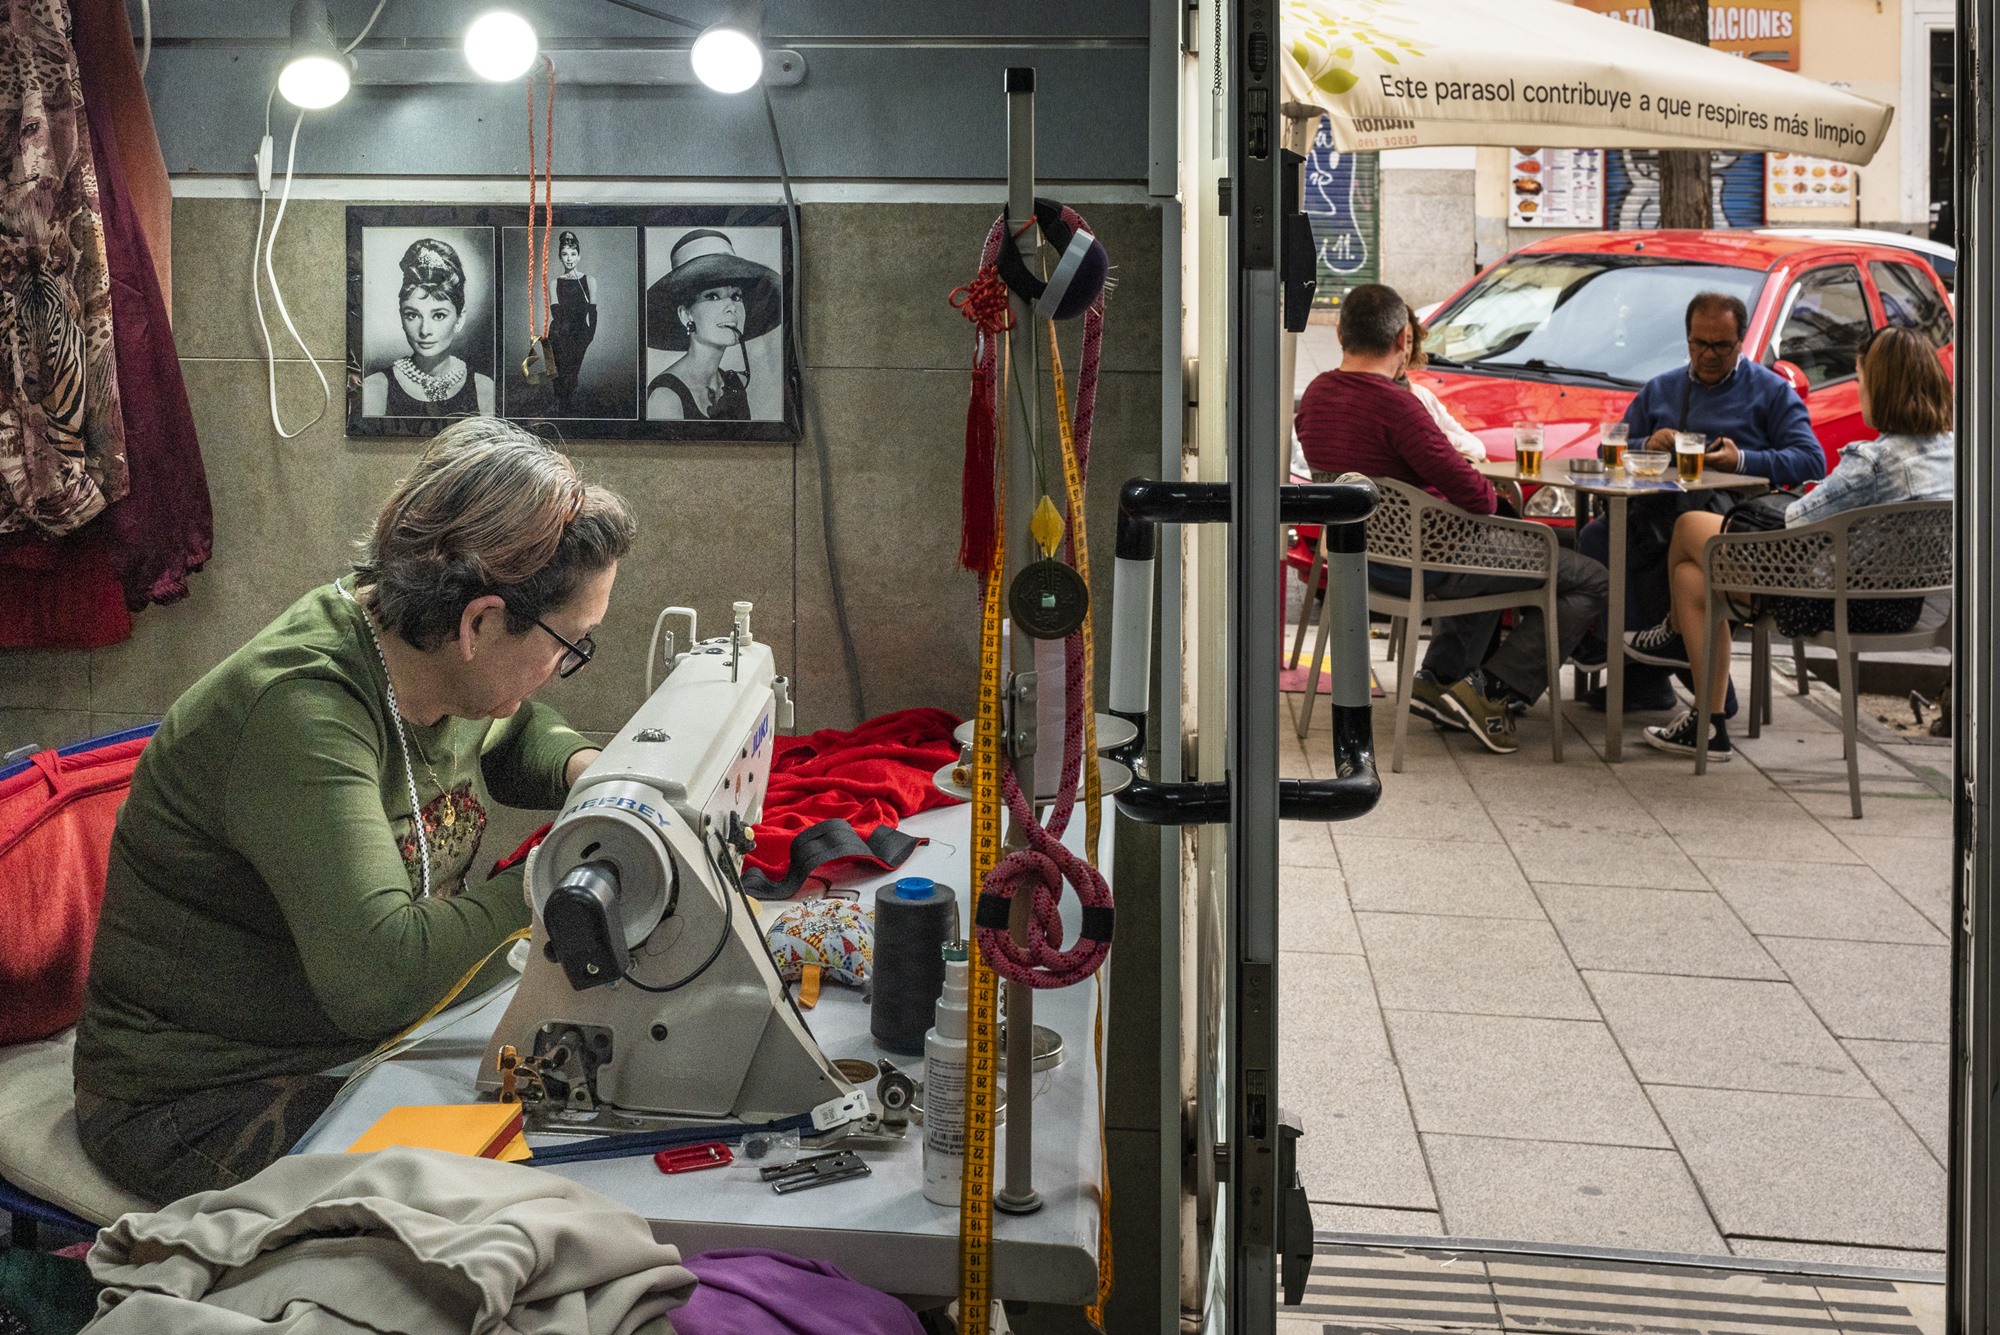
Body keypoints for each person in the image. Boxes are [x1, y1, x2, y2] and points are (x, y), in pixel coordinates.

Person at [73, 418, 636, 1203]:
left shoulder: (429, 651)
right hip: (193, 1100)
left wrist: (587, 770)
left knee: (594, 1130)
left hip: (345, 1046)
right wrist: (574, 871)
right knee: (515, 1203)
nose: (564, 668)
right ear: (479, 622)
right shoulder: (302, 710)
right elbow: (384, 972)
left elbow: (510, 724)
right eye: (568, 645)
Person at [1297, 283, 1609, 755]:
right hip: (1427, 564)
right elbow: (1476, 496)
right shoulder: (1399, 407)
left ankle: (1438, 679)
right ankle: (1491, 691)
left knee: (1491, 555)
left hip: (1359, 558)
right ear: (1405, 339)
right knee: (1590, 578)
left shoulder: (1316, 397)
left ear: (1339, 333)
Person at [1632, 325, 1953, 758]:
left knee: (1690, 525)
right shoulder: (1956, 454)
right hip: (1911, 606)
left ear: (1882, 386)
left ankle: (1676, 637)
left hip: (1835, 601)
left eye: (1860, 380)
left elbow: (1795, 522)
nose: (1859, 391)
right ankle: (1708, 727)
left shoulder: (1874, 462)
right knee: (1692, 580)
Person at [1576, 290, 1828, 712]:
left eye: (1721, 346)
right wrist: (1646, 444)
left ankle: (1673, 681)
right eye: (1699, 344)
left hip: (1728, 519)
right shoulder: (1662, 389)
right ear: (1687, 339)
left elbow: (1810, 459)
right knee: (1601, 536)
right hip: (1655, 512)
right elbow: (1612, 451)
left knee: (1666, 546)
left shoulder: (1770, 393)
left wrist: (1741, 460)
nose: (1708, 355)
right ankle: (1643, 668)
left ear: (1741, 342)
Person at [644, 229, 783, 422]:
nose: (732, 307)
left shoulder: (733, 384)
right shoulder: (666, 399)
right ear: (686, 315)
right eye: (712, 296)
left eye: (736, 296)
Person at [361, 238, 497, 419]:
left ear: (460, 318)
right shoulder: (375, 387)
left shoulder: (484, 387)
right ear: (401, 316)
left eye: (439, 315)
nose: (425, 330)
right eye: (413, 315)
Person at [1398, 312, 1486, 461]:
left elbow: (1478, 448)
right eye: (1394, 343)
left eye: (1408, 341)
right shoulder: (1391, 401)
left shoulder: (1423, 395)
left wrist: (1440, 436)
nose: (1403, 350)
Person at [546, 229, 598, 415]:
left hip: (579, 334)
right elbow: (555, 311)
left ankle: (568, 411)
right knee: (557, 376)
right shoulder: (554, 283)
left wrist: (589, 335)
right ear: (560, 257)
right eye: (565, 254)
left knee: (571, 375)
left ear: (579, 255)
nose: (569, 259)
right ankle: (561, 411)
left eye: (573, 254)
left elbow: (592, 311)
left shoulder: (589, 280)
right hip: (558, 334)